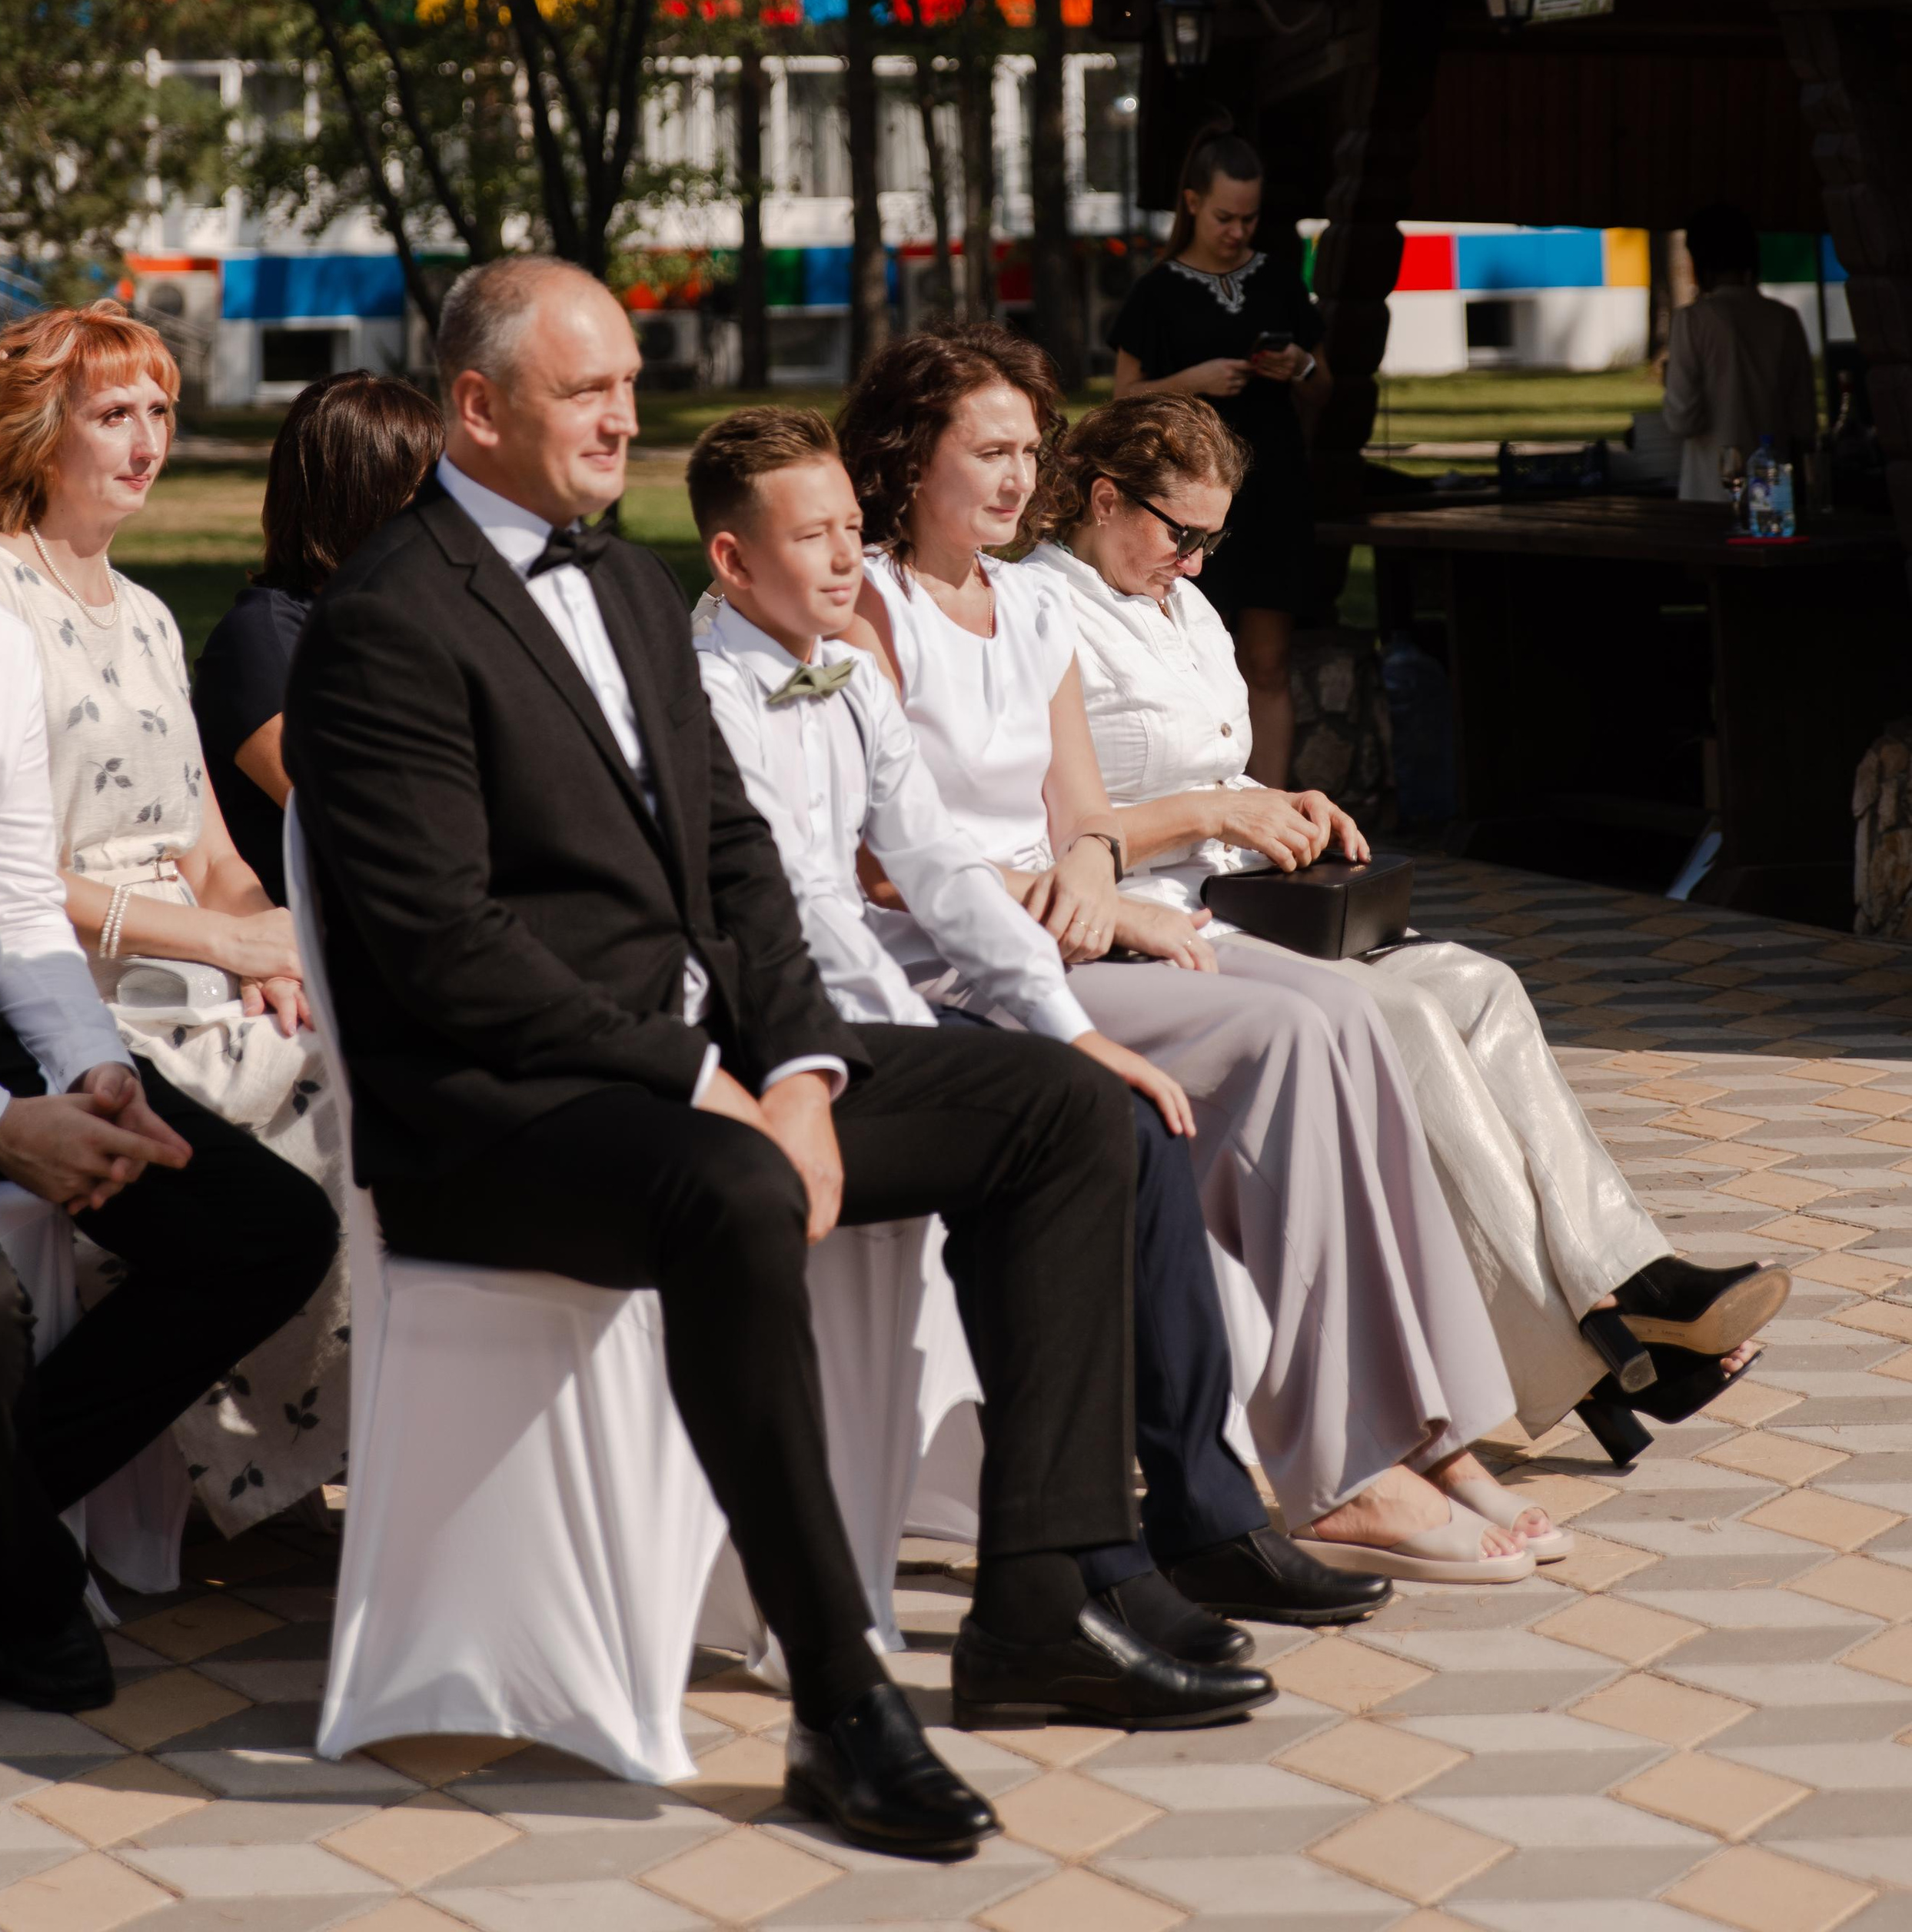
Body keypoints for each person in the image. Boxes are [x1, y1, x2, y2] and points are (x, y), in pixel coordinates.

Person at [283, 256, 1259, 1868]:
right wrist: (704, 1085)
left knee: (1060, 1109)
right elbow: (447, 952)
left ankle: (1039, 1594)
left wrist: (801, 1065)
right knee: (734, 1183)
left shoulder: (617, 579)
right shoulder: (385, 621)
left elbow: (737, 857)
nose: (623, 415)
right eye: (585, 389)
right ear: (475, 406)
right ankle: (837, 1697)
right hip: (495, 1115)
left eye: (627, 382)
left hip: (702, 1073)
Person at [838, 324, 1549, 1581]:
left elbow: (1086, 821)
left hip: (1066, 931)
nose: (1017, 476)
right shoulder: (867, 607)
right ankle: (1343, 1469)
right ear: (909, 453)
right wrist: (1098, 907)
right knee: (1281, 1036)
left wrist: (1098, 880)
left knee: (1349, 1011)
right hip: (948, 963)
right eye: (988, 450)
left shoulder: (1025, 606)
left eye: (1027, 450)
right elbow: (885, 864)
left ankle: (1430, 1435)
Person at [687, 404, 1388, 1634]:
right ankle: (1077, 1571)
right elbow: (791, 919)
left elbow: (942, 870)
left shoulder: (841, 670)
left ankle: (1197, 1518)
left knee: (1123, 1112)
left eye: (852, 529)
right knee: (1080, 1123)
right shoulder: (706, 691)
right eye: (814, 537)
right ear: (733, 560)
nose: (849, 560)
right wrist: (1025, 1045)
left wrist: (1068, 1025)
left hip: (881, 1008)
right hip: (780, 1039)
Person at [1034, 391, 1790, 1463]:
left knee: (1480, 984)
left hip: (1242, 896)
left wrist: (1278, 802)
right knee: (1409, 1020)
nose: (1196, 562)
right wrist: (1214, 812)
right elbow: (1060, 826)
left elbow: (1212, 769)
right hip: (1152, 919)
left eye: (1213, 538)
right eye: (1180, 533)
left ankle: (1628, 1280)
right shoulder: (1041, 614)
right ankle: (1600, 1346)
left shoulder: (1183, 608)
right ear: (1105, 497)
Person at [0, 361, 338, 1711]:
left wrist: (87, 1068)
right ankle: (18, 1569)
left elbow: (15, 894)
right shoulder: (7, 606)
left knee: (270, 1226)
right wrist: (5, 1125)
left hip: (0, 1022)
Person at [1109, 121, 1325, 787]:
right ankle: (1207, 810)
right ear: (1193, 202)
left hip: (1273, 493)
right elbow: (1121, 399)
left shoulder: (1279, 280)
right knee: (1194, 660)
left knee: (1269, 661)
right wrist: (1192, 382)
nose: (1238, 231)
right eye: (1225, 217)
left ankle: (1274, 810)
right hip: (1185, 504)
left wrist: (1301, 365)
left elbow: (1325, 388)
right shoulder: (1156, 291)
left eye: (1250, 219)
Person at [194, 374, 444, 905]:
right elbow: (368, 823)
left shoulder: (413, 625)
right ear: (360, 497)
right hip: (315, 938)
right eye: (427, 489)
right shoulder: (260, 642)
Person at [1662, 204, 1817, 504]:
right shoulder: (1784, 319)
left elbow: (1682, 420)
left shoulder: (1693, 321)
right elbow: (1804, 422)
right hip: (1773, 494)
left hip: (1709, 493)